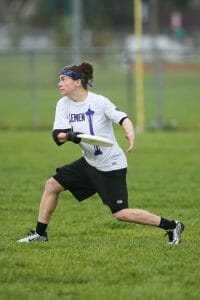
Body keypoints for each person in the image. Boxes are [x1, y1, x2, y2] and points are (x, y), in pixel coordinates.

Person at [17, 61, 184, 245]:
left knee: (121, 214)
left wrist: (130, 132)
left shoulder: (99, 102)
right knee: (52, 185)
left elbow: (123, 118)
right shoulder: (63, 104)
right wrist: (70, 136)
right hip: (89, 162)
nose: (59, 83)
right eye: (59, 80)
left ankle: (172, 225)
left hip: (110, 166)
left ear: (77, 82)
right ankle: (40, 234)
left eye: (63, 79)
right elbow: (57, 137)